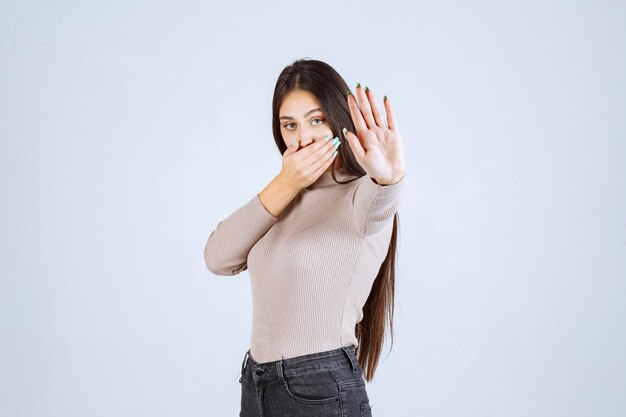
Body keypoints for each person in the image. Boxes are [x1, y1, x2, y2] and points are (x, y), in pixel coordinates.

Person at [204, 58, 405, 417]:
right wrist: (286, 183)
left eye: (316, 120)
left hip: (318, 389)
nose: (303, 138)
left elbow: (381, 204)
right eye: (289, 125)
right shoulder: (282, 198)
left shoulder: (361, 194)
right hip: (256, 383)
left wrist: (389, 179)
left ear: (339, 119)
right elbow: (218, 258)